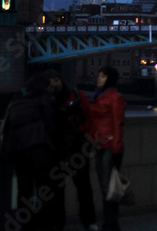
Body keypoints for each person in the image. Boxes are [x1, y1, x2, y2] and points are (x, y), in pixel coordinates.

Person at [1, 69, 65, 231]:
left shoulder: (16, 100)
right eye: (49, 86)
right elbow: (51, 127)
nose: (52, 89)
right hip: (38, 149)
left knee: (24, 190)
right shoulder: (43, 100)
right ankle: (44, 224)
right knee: (45, 189)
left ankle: (25, 226)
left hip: (18, 151)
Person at [54, 77, 97, 231]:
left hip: (76, 143)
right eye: (51, 81)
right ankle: (58, 224)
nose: (55, 83)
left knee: (83, 185)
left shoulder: (75, 94)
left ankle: (89, 221)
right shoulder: (72, 95)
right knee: (59, 189)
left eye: (56, 79)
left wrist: (88, 138)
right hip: (61, 145)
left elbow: (89, 116)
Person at [89, 66, 127, 231]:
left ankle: (111, 223)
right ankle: (110, 222)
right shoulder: (96, 96)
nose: (99, 79)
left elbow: (118, 124)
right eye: (98, 75)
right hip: (99, 146)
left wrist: (116, 148)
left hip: (110, 146)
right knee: (105, 187)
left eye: (102, 76)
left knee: (108, 187)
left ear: (109, 79)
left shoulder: (115, 98)